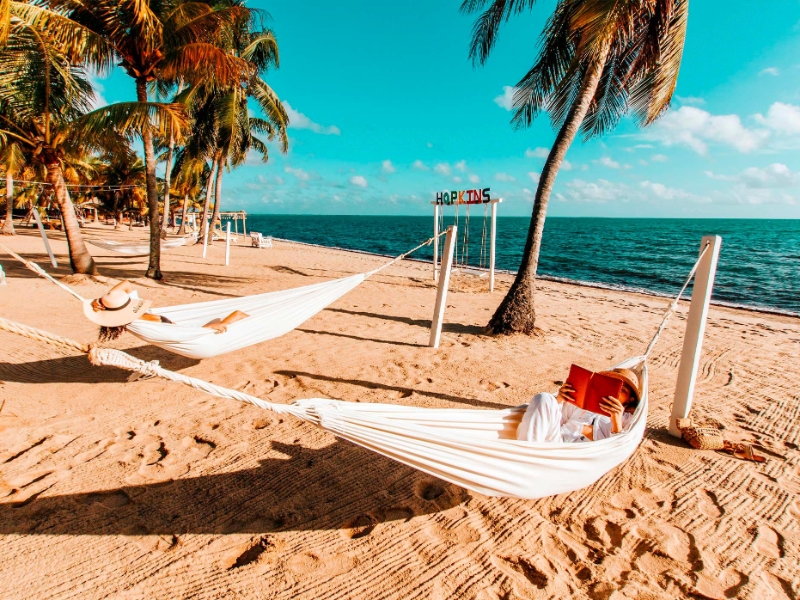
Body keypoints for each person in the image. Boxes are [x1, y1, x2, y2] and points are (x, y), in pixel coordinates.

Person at [83, 280, 249, 341]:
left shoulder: (131, 311)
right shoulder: (137, 313)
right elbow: (175, 335)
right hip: (189, 333)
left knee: (234, 317)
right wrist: (206, 329)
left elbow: (125, 284)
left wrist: (104, 299)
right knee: (231, 319)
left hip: (186, 329)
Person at [517, 368, 641, 443]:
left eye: (623, 390)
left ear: (630, 399)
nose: (616, 393)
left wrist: (616, 421)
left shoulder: (627, 419)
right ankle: (527, 452)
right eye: (614, 386)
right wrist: (559, 400)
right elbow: (554, 419)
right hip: (557, 442)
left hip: (583, 455)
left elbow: (619, 448)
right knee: (544, 397)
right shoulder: (582, 402)